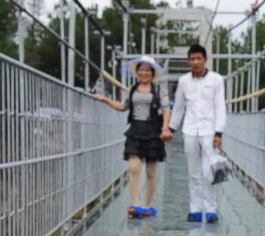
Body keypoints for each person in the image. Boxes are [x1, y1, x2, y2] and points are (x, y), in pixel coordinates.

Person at [95, 57, 173, 216]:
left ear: (152, 73)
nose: (144, 73)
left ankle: (147, 205)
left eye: (147, 70)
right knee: (134, 168)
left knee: (151, 172)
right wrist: (105, 99)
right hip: (135, 131)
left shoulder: (159, 90)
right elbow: (123, 107)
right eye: (141, 70)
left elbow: (166, 109)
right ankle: (136, 203)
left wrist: (165, 128)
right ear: (138, 72)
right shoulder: (133, 89)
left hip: (153, 133)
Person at [171, 42, 229, 221]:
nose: (195, 62)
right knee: (193, 172)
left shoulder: (216, 79)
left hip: (210, 131)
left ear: (205, 60)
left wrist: (219, 132)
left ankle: (211, 209)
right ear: (189, 61)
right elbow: (179, 107)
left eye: (198, 58)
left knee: (212, 170)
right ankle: (195, 209)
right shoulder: (183, 81)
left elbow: (220, 106)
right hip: (189, 130)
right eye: (192, 59)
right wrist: (171, 128)